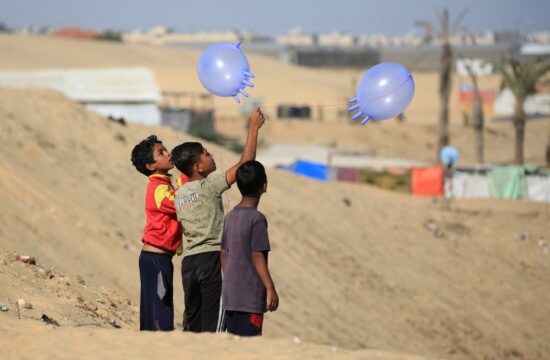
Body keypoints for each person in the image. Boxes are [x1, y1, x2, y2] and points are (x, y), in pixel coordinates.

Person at [172, 107, 265, 333]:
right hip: (212, 260)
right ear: (197, 167)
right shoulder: (209, 185)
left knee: (192, 324)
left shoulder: (180, 194)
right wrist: (253, 129)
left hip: (189, 264)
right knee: (214, 325)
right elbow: (245, 166)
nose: (211, 155)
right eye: (206, 153)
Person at [220, 160, 278, 336]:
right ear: (264, 186)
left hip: (230, 295)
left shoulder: (230, 216)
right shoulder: (257, 219)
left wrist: (231, 277)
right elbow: (257, 254)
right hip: (249, 297)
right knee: (249, 343)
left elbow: (223, 253)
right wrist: (270, 287)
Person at [131, 135, 182, 331]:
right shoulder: (158, 187)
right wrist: (186, 179)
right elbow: (177, 203)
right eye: (161, 153)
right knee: (160, 310)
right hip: (155, 258)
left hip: (160, 258)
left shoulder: (165, 184)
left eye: (165, 149)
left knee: (157, 307)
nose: (168, 153)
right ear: (150, 165)